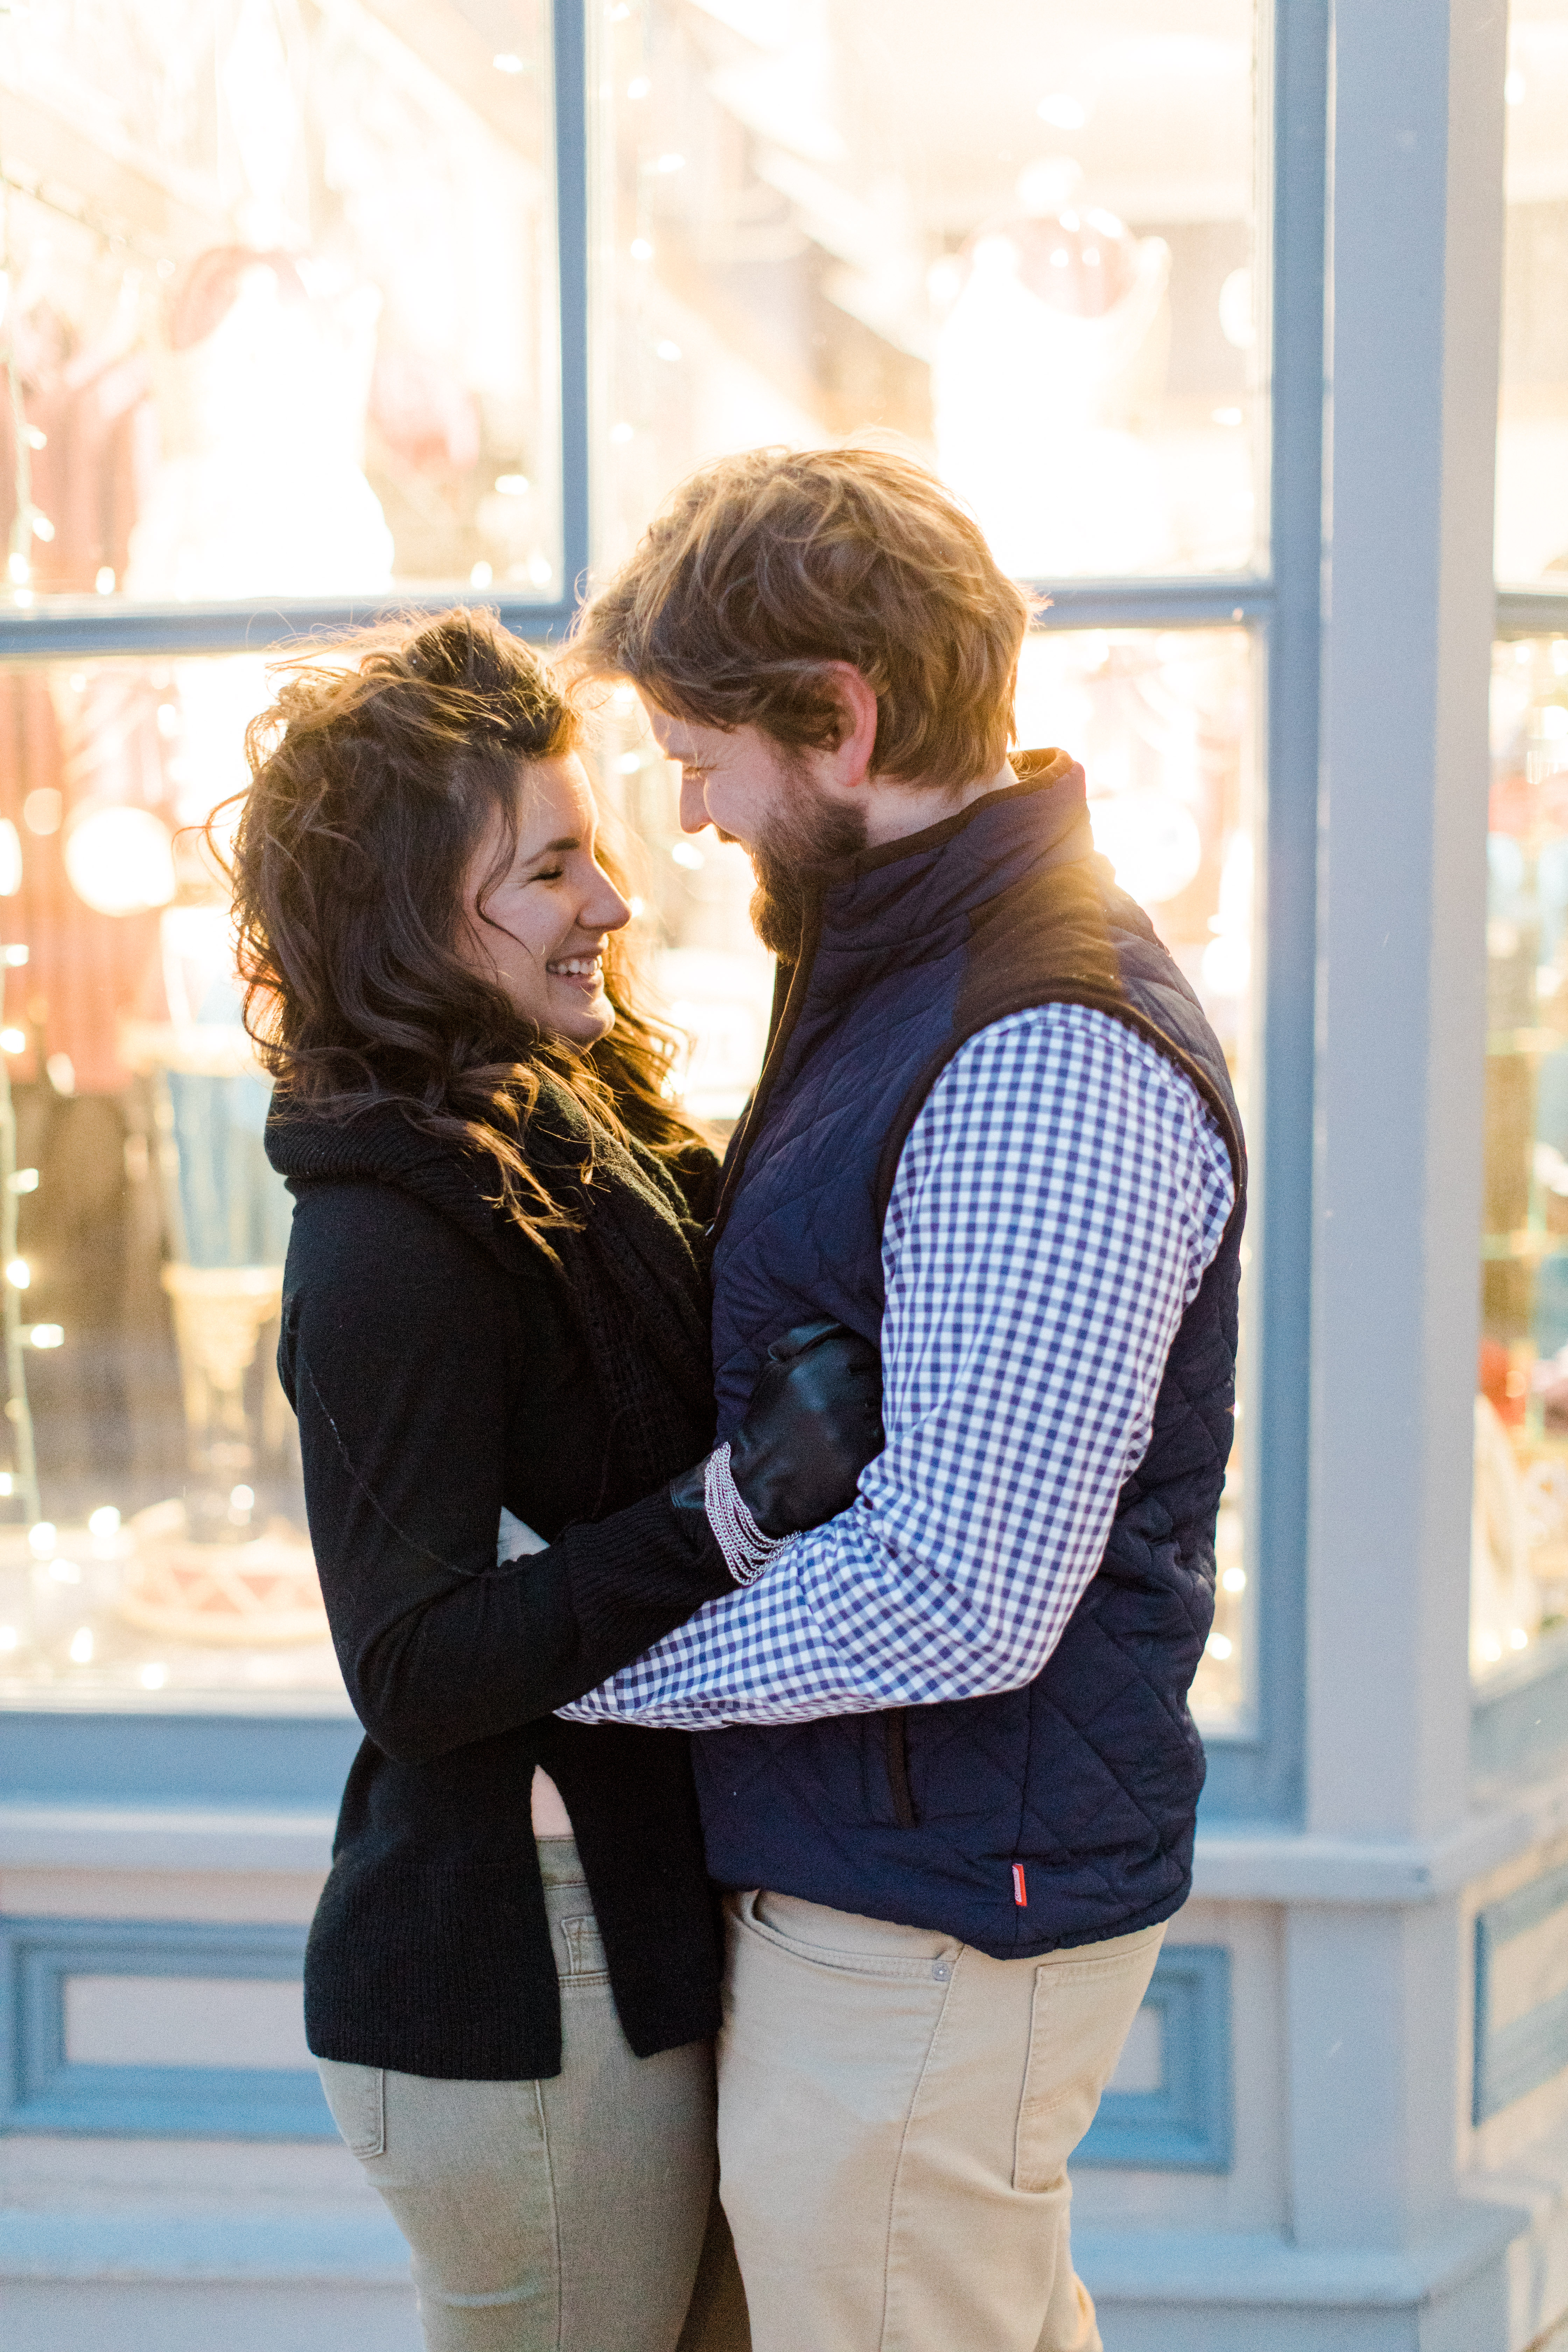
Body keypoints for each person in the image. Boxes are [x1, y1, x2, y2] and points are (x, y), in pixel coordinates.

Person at [560, 446, 1246, 2352]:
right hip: (896, 1873)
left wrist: (575, 1667)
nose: (689, 815)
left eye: (704, 759)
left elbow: (959, 1591)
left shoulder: (1037, 1045)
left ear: (841, 720)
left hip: (935, 1911)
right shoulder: (900, 966)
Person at [227, 607, 878, 2352]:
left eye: (593, 851)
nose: (610, 900)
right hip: (523, 1985)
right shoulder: (385, 1236)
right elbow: (414, 1666)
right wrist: (731, 1510)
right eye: (548, 870)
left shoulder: (569, 1122)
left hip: (631, 1929)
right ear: (411, 918)